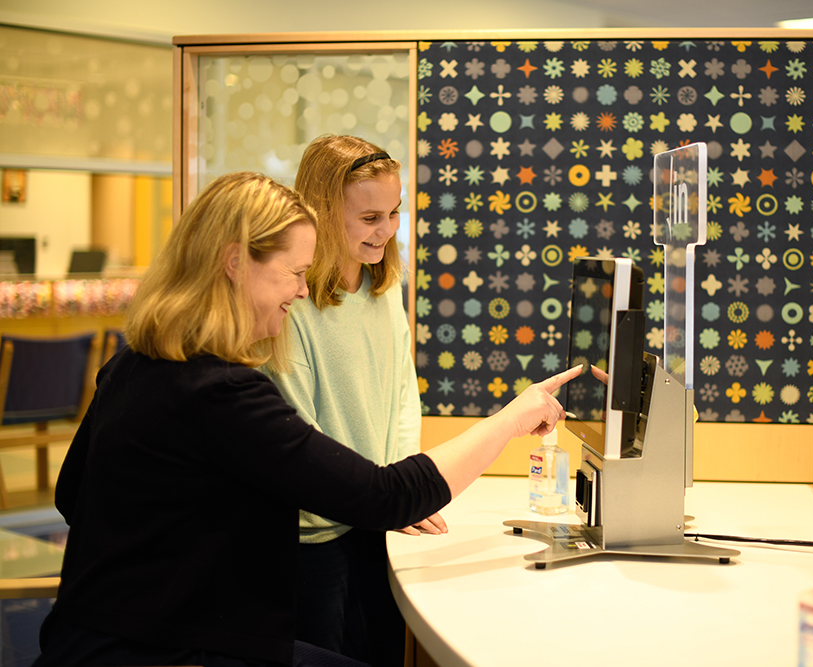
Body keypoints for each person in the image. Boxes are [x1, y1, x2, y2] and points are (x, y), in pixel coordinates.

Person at [33, 172, 579, 667]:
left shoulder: (135, 360)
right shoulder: (221, 391)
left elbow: (70, 494)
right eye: (294, 273)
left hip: (86, 638)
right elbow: (385, 496)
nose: (301, 289)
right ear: (234, 263)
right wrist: (511, 418)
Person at [261, 135, 425, 665]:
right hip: (316, 534)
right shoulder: (293, 304)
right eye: (371, 217)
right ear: (323, 212)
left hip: (377, 515)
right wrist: (383, 495)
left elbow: (403, 392)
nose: (388, 230)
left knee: (380, 650)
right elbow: (298, 430)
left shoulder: (384, 288)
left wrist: (401, 484)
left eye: (395, 212)